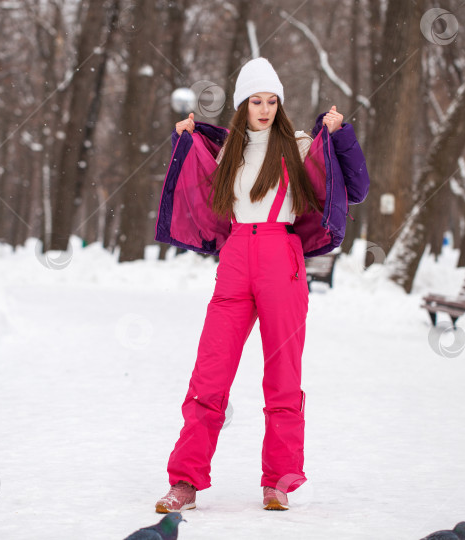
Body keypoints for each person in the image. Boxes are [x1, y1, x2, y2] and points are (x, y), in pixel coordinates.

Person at [153, 57, 370, 512]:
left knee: (283, 378)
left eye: (272, 101)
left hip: (282, 262)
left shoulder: (299, 145)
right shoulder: (227, 149)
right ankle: (185, 482)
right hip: (235, 260)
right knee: (209, 375)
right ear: (242, 105)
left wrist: (342, 134)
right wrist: (183, 137)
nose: (266, 109)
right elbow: (195, 183)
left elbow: (358, 188)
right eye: (257, 101)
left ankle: (279, 480)